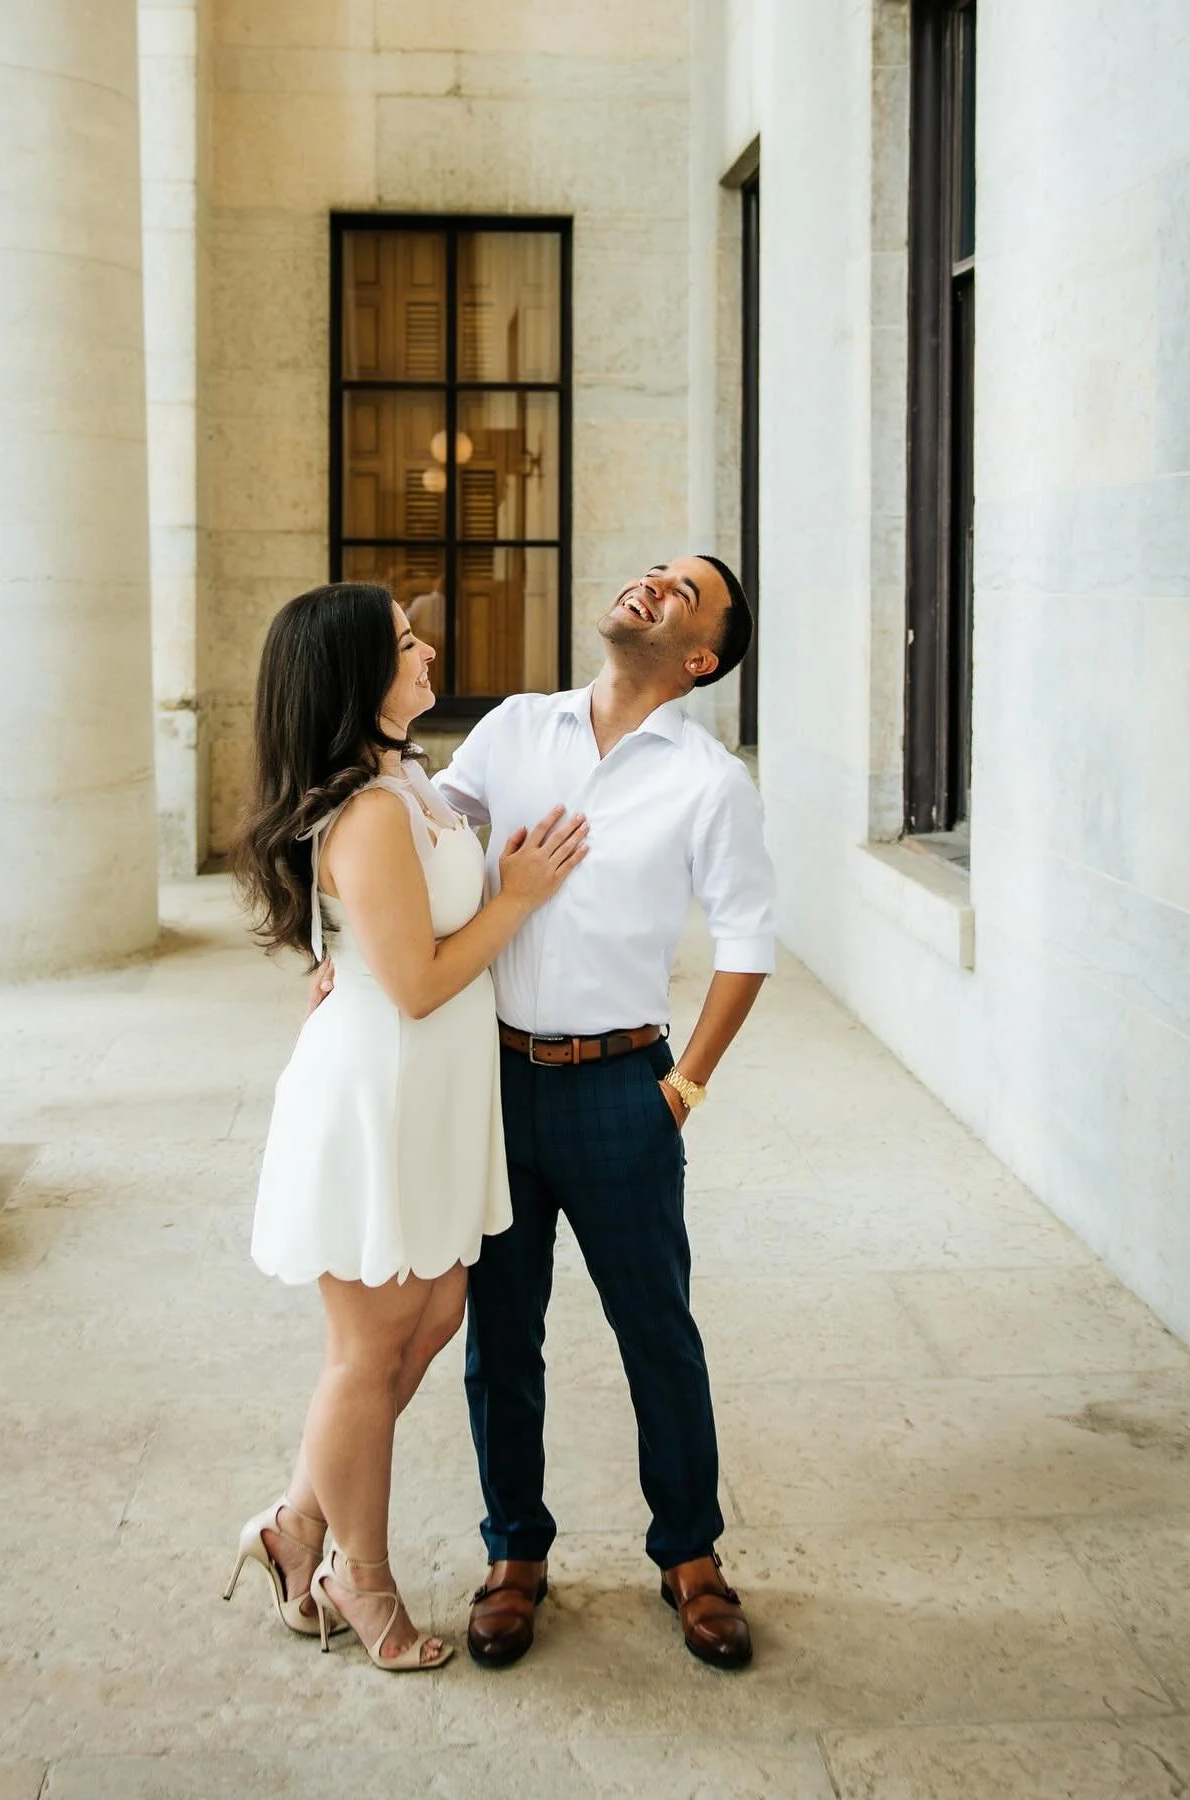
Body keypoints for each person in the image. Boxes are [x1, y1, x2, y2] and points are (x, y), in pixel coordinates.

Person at [225, 581, 588, 1673]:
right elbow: (421, 981)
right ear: (354, 677)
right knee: (369, 1346)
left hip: (430, 1094)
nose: (426, 650)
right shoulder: (372, 811)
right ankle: (356, 1581)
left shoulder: (407, 782)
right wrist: (516, 896)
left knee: (433, 1317)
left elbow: (391, 947)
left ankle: (295, 1525)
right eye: (401, 642)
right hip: (378, 1094)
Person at [434, 554, 775, 1671]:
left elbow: (746, 941)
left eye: (684, 590)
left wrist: (684, 1088)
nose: (651, 583)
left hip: (626, 1087)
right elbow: (418, 845)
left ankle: (691, 1554)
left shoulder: (709, 781)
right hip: (494, 1082)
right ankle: (514, 1554)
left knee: (657, 1334)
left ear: (700, 657)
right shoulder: (513, 731)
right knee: (501, 1339)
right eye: (654, 571)